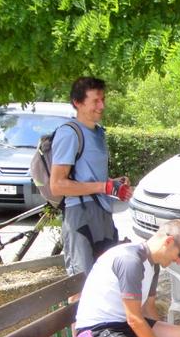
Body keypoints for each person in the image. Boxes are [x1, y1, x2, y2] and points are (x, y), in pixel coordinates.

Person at [49, 76, 133, 277]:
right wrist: (103, 187)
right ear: (77, 103)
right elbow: (57, 185)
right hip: (80, 215)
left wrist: (113, 183)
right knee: (81, 285)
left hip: (102, 213)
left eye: (103, 99)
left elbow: (90, 176)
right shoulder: (69, 133)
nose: (102, 105)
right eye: (95, 100)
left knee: (106, 279)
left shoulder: (99, 133)